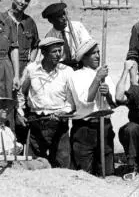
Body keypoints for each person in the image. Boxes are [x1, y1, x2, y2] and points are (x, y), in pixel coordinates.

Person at [15, 37, 73, 168]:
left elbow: (71, 100)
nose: (58, 54)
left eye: (60, 51)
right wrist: (20, 113)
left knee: (62, 165)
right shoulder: (31, 69)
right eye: (54, 51)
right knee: (34, 165)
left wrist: (62, 112)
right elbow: (21, 93)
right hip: (36, 123)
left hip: (59, 124)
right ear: (44, 53)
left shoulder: (67, 71)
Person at [67, 39, 116, 175]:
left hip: (104, 126)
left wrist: (108, 95)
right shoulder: (76, 76)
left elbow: (113, 105)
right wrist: (97, 79)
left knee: (107, 172)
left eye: (98, 52)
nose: (98, 56)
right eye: (93, 53)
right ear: (84, 58)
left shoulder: (106, 76)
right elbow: (85, 101)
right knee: (84, 174)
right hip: (85, 129)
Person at [42, 2, 91, 70]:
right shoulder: (49, 37)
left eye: (64, 14)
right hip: (62, 69)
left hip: (81, 66)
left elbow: (88, 46)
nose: (64, 18)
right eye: (59, 16)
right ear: (51, 21)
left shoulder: (77, 27)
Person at [5, 0, 39, 75]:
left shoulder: (30, 22)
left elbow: (35, 46)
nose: (23, 2)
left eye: (27, 0)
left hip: (23, 70)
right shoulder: (2, 20)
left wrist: (30, 64)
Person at [0, 9, 20, 131]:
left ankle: (7, 143)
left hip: (5, 67)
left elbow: (14, 49)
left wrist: (16, 75)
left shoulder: (8, 21)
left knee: (6, 107)